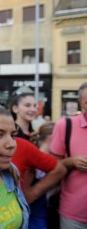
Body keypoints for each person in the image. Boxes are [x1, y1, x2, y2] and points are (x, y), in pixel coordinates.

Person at [50, 82, 87, 228]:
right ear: (81, 104)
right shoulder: (65, 126)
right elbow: (51, 165)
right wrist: (71, 162)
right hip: (74, 214)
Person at [12, 136, 66, 229]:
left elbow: (59, 169)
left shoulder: (20, 145)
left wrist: (32, 193)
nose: (8, 142)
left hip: (22, 216)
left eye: (12, 134)